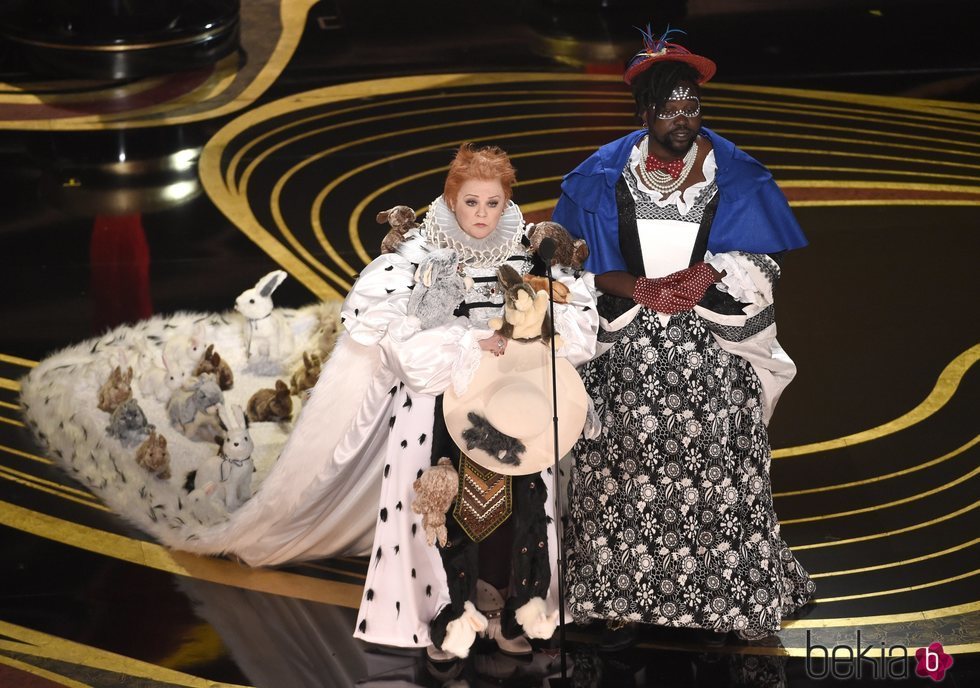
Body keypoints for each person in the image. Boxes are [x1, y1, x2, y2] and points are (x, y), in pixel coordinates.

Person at [552, 28, 815, 645]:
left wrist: (706, 274)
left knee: (725, 438)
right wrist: (639, 289)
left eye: (691, 107)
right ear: (644, 111)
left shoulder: (734, 173)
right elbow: (572, 265)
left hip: (710, 334)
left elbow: (763, 260)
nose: (682, 119)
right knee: (615, 444)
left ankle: (735, 596)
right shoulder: (601, 175)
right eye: (669, 109)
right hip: (630, 331)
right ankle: (616, 594)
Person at [342, 143, 598, 659]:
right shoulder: (421, 253)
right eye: (471, 203)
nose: (482, 215)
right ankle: (452, 612)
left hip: (515, 399)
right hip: (444, 398)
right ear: (451, 200)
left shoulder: (526, 251)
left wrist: (534, 331)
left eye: (493, 204)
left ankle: (513, 606)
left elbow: (574, 323)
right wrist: (466, 342)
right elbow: (392, 336)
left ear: (506, 204)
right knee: (449, 506)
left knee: (524, 504)